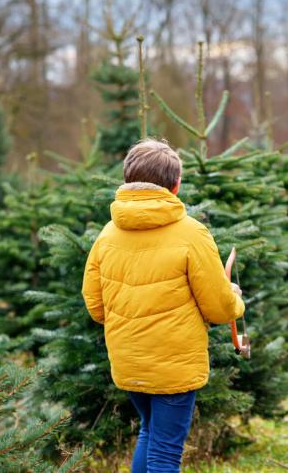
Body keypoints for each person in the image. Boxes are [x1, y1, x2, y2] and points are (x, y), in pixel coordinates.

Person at [81, 139, 245, 473]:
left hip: (128, 362)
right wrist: (235, 298)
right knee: (166, 453)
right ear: (176, 185)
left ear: (128, 180)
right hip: (175, 366)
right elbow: (219, 308)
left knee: (150, 432)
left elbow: (95, 307)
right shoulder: (192, 234)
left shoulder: (107, 234)